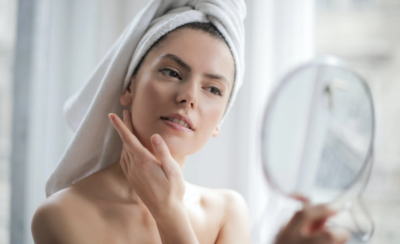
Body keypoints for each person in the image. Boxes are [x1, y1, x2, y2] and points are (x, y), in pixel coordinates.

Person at [31, 1, 349, 243]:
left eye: (213, 88)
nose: (188, 97)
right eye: (171, 72)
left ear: (220, 120)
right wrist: (168, 213)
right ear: (128, 86)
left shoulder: (227, 212)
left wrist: (168, 211)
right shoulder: (63, 215)